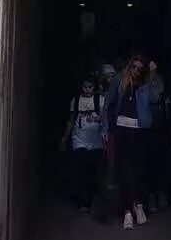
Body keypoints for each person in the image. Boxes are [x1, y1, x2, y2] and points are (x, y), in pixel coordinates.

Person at [102, 53, 157, 229]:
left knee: (139, 169)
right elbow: (109, 104)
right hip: (121, 129)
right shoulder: (119, 81)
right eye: (134, 67)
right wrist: (106, 128)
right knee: (123, 170)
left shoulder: (145, 84)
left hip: (139, 130)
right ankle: (127, 211)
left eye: (140, 69)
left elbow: (155, 98)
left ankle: (137, 204)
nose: (136, 71)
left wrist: (152, 76)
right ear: (129, 65)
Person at [61, 72, 105, 214]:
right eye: (85, 87)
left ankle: (90, 197)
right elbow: (71, 120)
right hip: (79, 139)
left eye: (90, 87)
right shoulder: (76, 100)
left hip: (96, 141)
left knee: (91, 170)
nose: (87, 90)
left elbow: (107, 119)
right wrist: (65, 138)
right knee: (81, 170)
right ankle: (83, 201)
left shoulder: (100, 100)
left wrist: (100, 120)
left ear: (94, 87)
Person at [144, 59, 171, 211]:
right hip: (148, 132)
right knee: (149, 165)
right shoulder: (143, 88)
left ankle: (161, 194)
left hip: (162, 131)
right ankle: (152, 198)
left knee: (163, 163)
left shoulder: (164, 90)